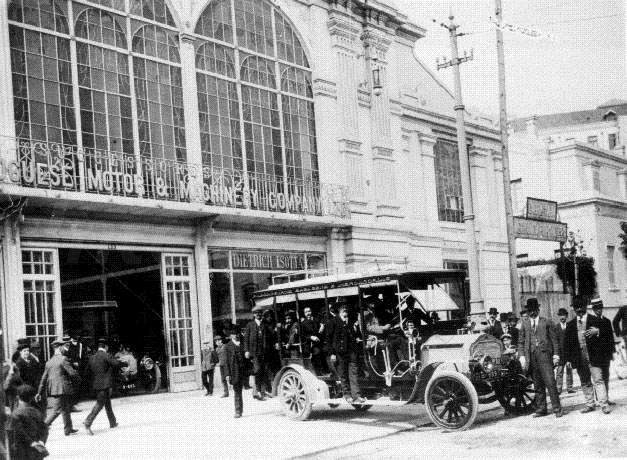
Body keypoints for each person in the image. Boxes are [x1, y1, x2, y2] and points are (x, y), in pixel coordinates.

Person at [563, 295, 614, 414]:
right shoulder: (570, 325)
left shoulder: (596, 320)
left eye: (581, 307)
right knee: (585, 381)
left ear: (586, 307)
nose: (579, 309)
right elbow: (567, 344)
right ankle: (590, 404)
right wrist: (569, 359)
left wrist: (598, 332)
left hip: (594, 357)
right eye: (577, 307)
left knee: (598, 380)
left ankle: (604, 404)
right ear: (574, 309)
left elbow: (607, 337)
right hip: (579, 358)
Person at [518, 298, 562, 418]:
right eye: (530, 310)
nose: (532, 313)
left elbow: (554, 340)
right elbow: (521, 342)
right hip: (531, 357)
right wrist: (521, 356)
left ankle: (557, 408)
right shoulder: (525, 324)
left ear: (538, 309)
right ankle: (541, 408)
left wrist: (556, 355)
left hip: (545, 356)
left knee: (550, 382)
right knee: (537, 384)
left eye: (534, 310)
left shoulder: (547, 322)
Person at [83, 338, 127, 435]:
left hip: (96, 384)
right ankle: (88, 422)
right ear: (105, 347)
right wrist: (125, 363)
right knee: (100, 404)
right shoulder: (106, 355)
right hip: (105, 384)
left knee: (107, 403)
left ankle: (113, 422)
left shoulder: (92, 357)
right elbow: (115, 363)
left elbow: (87, 372)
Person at [36, 337, 79, 436]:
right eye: (64, 346)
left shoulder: (49, 362)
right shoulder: (63, 359)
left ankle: (68, 429)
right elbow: (72, 373)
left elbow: (43, 378)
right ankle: (41, 428)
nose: (65, 348)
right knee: (56, 411)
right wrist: (78, 378)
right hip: (63, 387)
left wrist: (39, 392)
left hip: (54, 389)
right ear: (59, 348)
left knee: (65, 408)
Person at [328, 305, 365, 404]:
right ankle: (347, 395)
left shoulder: (350, 322)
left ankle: (357, 395)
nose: (345, 312)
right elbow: (329, 339)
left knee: (353, 373)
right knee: (343, 374)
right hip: (339, 352)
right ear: (339, 311)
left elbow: (354, 334)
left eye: (346, 310)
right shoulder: (333, 322)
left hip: (351, 351)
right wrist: (332, 353)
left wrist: (356, 337)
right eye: (344, 310)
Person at [243, 305, 278, 400]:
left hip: (265, 352)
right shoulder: (250, 325)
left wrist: (275, 343)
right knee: (257, 370)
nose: (258, 315)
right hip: (254, 353)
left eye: (259, 313)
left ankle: (264, 391)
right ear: (254, 315)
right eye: (256, 313)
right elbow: (246, 339)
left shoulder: (265, 325)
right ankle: (257, 390)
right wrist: (246, 350)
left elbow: (271, 337)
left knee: (265, 370)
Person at [7, 384, 49, 460]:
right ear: (32, 398)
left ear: (17, 397)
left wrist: (31, 442)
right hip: (37, 450)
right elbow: (45, 429)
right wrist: (41, 442)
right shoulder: (37, 412)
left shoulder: (16, 414)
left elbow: (17, 432)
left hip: (22, 451)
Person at [589, 298, 615, 406]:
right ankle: (600, 399)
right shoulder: (590, 321)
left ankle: (606, 397)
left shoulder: (607, 321)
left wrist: (612, 352)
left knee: (606, 377)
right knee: (598, 378)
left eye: (600, 308)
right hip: (595, 355)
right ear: (593, 309)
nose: (598, 310)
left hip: (606, 355)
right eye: (596, 308)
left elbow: (610, 338)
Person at [224, 326, 246, 418]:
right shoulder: (228, 346)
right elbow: (226, 362)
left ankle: (240, 410)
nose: (236, 336)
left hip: (243, 371)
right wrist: (227, 374)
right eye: (234, 334)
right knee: (237, 391)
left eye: (237, 334)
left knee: (242, 390)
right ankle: (238, 411)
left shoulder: (243, 344)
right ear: (231, 335)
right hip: (234, 372)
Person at [553, 308, 574, 395]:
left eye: (564, 315)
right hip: (560, 354)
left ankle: (569, 388)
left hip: (568, 354)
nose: (562, 317)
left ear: (566, 316)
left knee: (569, 371)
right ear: (559, 317)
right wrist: (556, 355)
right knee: (559, 372)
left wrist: (571, 355)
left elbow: (572, 341)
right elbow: (555, 342)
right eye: (560, 316)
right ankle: (558, 388)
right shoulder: (556, 327)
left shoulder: (570, 326)